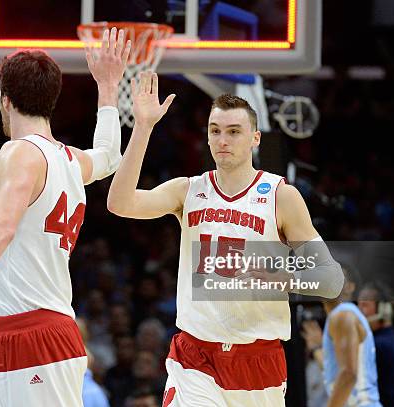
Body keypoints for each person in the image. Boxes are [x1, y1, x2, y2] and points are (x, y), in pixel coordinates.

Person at [0, 27, 131, 406]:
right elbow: (110, 156)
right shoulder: (70, 159)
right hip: (1, 337)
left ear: (4, 100)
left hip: (37, 337)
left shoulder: (19, 153)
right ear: (52, 102)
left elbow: (2, 226)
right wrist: (108, 87)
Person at [107, 73, 344, 406]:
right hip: (195, 358)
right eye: (215, 131)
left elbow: (332, 281)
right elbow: (120, 204)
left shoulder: (281, 196)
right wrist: (144, 127)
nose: (223, 140)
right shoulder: (188, 190)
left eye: (234, 132)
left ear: (255, 138)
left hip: (258, 362)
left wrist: (277, 277)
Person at [303, 264, 381, 407]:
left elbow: (348, 374)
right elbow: (337, 371)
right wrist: (317, 349)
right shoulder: (343, 315)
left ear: (350, 287)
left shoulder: (343, 315)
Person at [358, 281, 394, 407]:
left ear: (384, 309)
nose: (359, 312)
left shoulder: (380, 344)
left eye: (364, 305)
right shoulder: (384, 338)